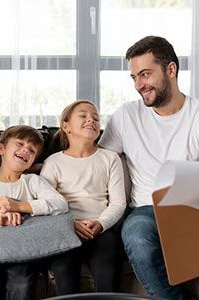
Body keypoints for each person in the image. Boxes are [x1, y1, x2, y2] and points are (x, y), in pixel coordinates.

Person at [99, 36, 199, 299]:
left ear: (171, 70)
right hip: (144, 210)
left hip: (190, 208)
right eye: (133, 78)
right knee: (137, 237)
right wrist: (41, 167)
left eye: (145, 74)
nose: (139, 85)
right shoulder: (126, 116)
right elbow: (96, 161)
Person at [0, 124, 68, 300]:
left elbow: (60, 204)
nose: (26, 150)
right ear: (1, 148)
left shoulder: (32, 181)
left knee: (22, 283)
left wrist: (18, 206)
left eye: (32, 150)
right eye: (20, 144)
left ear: (34, 161)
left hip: (23, 251)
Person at [40, 100, 126, 295]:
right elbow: (46, 204)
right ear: (66, 126)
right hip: (66, 230)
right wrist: (70, 223)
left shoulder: (109, 158)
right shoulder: (53, 162)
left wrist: (101, 223)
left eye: (96, 118)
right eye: (83, 116)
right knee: (64, 274)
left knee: (107, 277)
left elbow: (118, 202)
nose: (91, 120)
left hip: (102, 229)